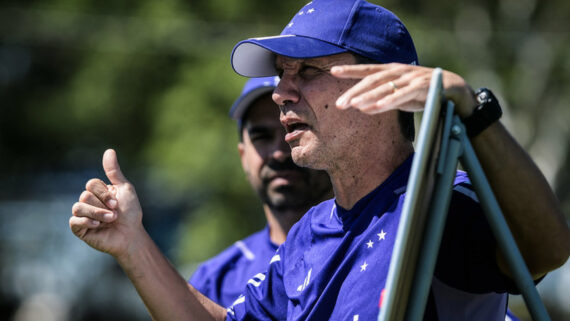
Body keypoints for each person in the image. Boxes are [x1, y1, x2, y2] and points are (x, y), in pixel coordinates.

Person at [70, 0, 570, 320]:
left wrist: (471, 108)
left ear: (382, 86)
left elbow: (545, 253)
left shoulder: (437, 199)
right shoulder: (310, 231)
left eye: (307, 70)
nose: (282, 94)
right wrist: (133, 244)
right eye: (282, 74)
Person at [188, 76, 332, 307]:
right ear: (243, 156)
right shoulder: (212, 283)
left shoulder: (366, 245)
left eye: (293, 130)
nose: (279, 152)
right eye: (262, 137)